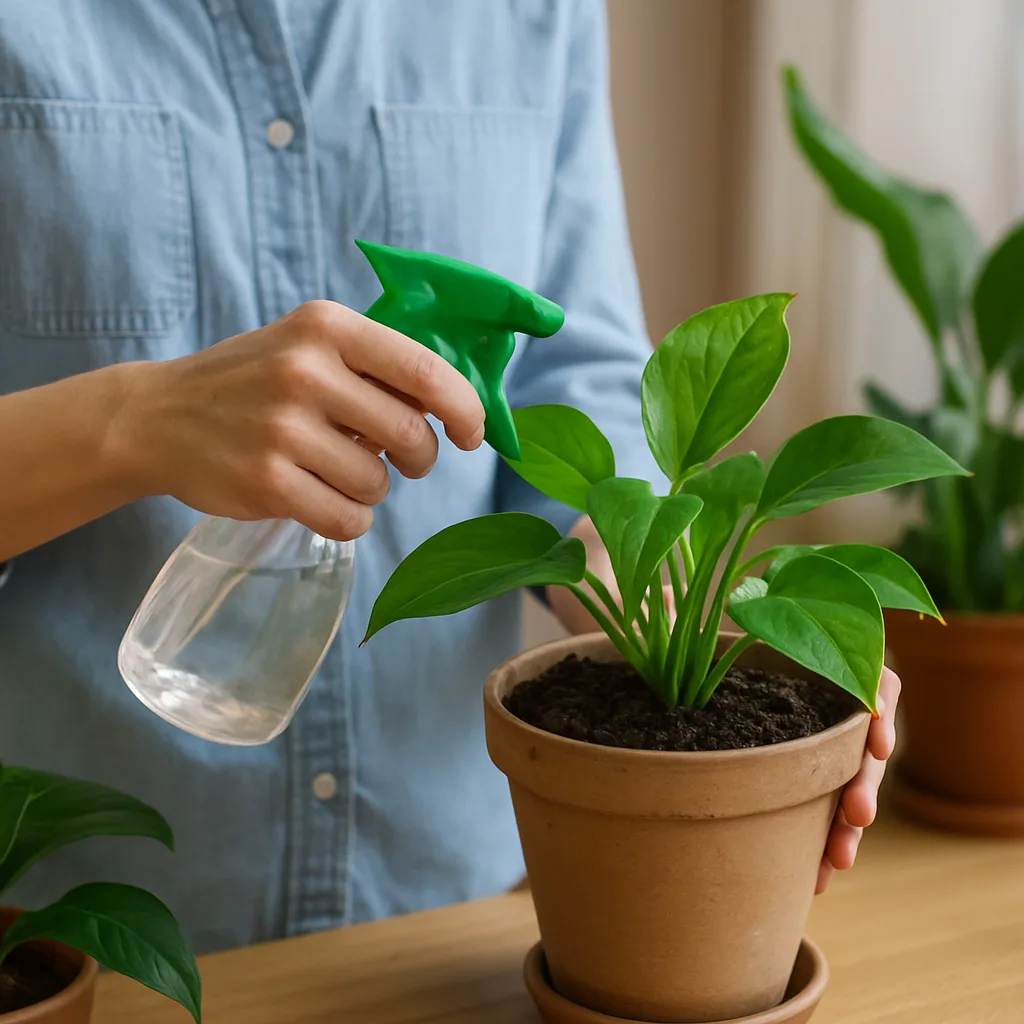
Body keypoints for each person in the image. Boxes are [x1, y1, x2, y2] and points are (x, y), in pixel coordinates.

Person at [0, 0, 898, 953]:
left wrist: (671, 590)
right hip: (67, 935)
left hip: (461, 928)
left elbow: (565, 370)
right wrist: (132, 422)